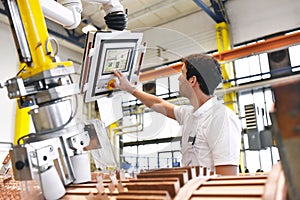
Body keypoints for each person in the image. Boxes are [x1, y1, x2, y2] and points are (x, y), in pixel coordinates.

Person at [113, 53, 241, 176]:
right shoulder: (189, 114)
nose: (179, 78)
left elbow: (227, 177)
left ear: (192, 80)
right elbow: (159, 104)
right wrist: (130, 89)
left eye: (182, 73)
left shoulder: (221, 118)